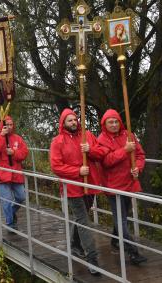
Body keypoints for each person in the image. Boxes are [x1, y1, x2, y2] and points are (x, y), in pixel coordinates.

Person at [49, 108, 106, 275]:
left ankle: (75, 245)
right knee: (83, 220)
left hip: (90, 185)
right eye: (70, 120)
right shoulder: (57, 141)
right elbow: (56, 166)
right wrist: (77, 171)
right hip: (72, 187)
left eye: (75, 120)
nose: (73, 122)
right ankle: (92, 259)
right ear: (63, 123)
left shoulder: (87, 135)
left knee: (82, 218)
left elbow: (101, 153)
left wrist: (90, 150)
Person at [98, 109, 147, 265]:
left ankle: (115, 240)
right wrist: (124, 151)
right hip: (113, 185)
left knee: (123, 214)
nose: (114, 124)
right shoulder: (102, 139)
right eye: (110, 122)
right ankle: (132, 252)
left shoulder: (129, 135)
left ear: (120, 122)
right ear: (104, 124)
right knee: (122, 220)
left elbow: (140, 155)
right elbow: (106, 161)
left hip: (129, 182)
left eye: (116, 121)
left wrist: (138, 168)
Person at [0, 115, 28, 230]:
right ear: (2, 126)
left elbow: (24, 153)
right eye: (7, 125)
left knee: (21, 197)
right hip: (3, 174)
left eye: (11, 125)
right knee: (6, 200)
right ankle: (10, 224)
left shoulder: (18, 138)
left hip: (16, 173)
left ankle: (11, 211)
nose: (10, 127)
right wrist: (2, 136)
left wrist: (14, 153)